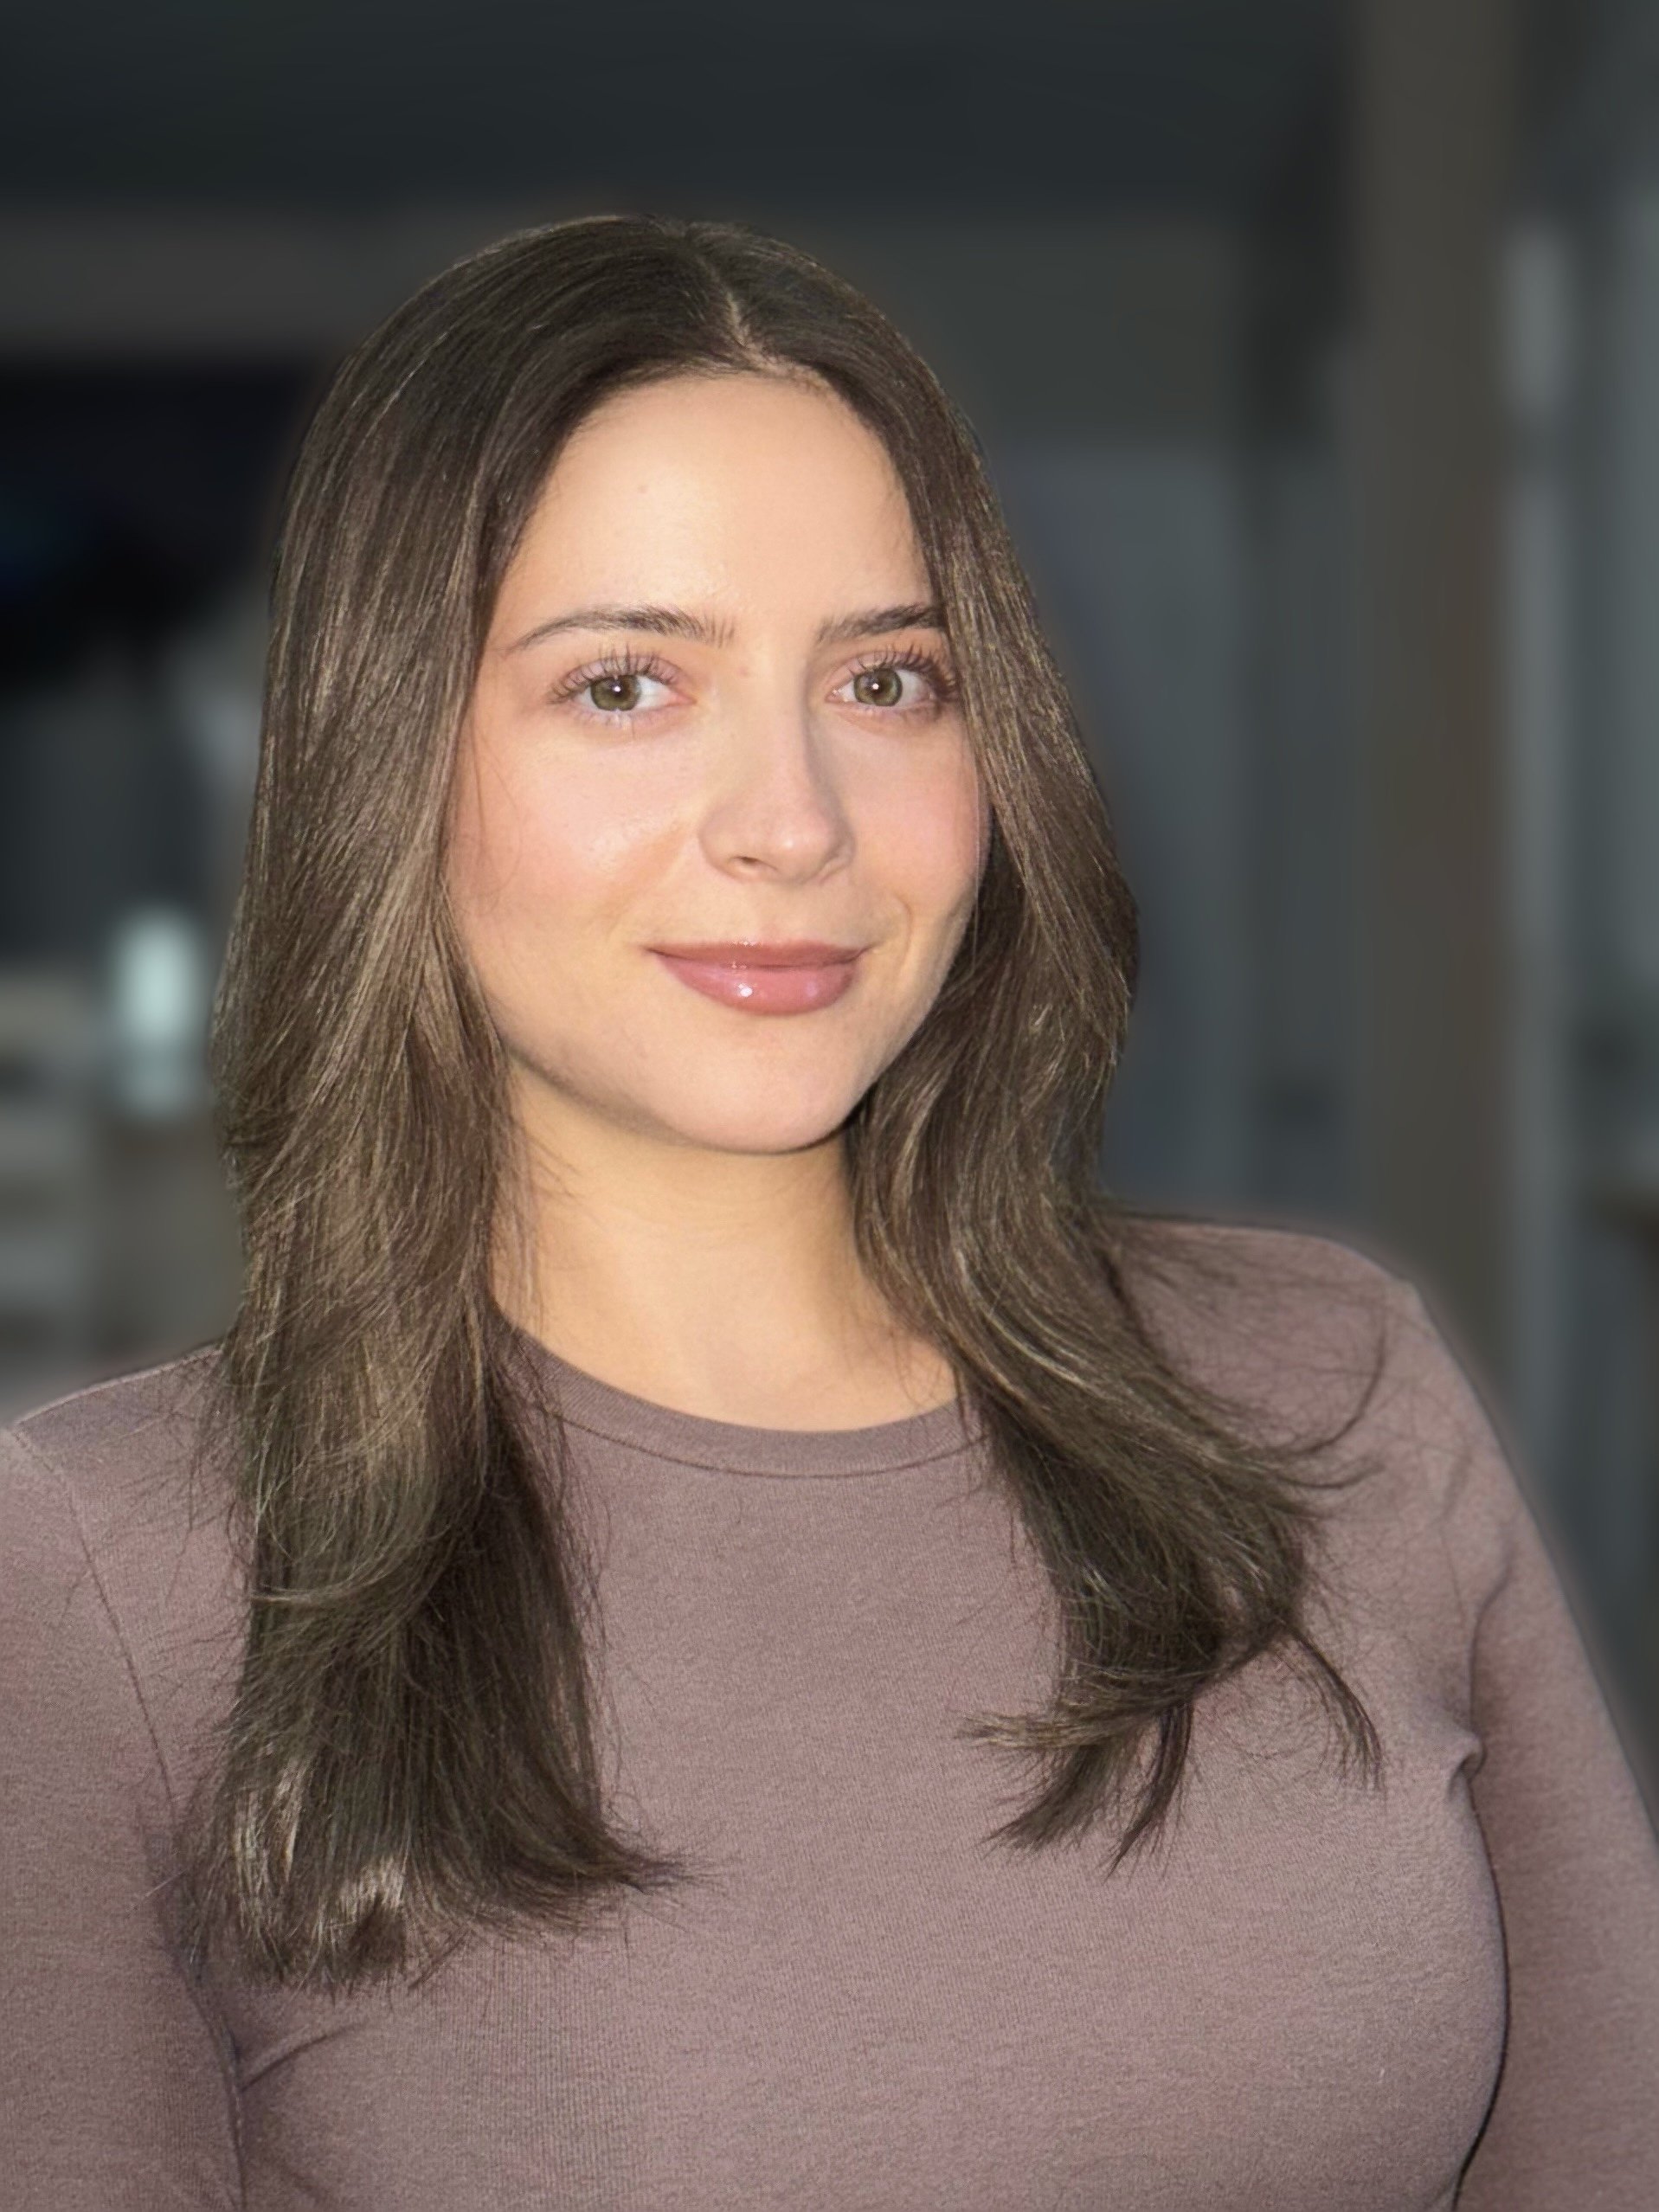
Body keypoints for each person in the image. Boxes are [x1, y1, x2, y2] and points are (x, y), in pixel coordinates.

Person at [3, 214, 1656, 2212]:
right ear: (385, 757)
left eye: (886, 679)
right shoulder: (104, 1571)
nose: (793, 821)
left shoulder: (1329, 1391)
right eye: (626, 684)